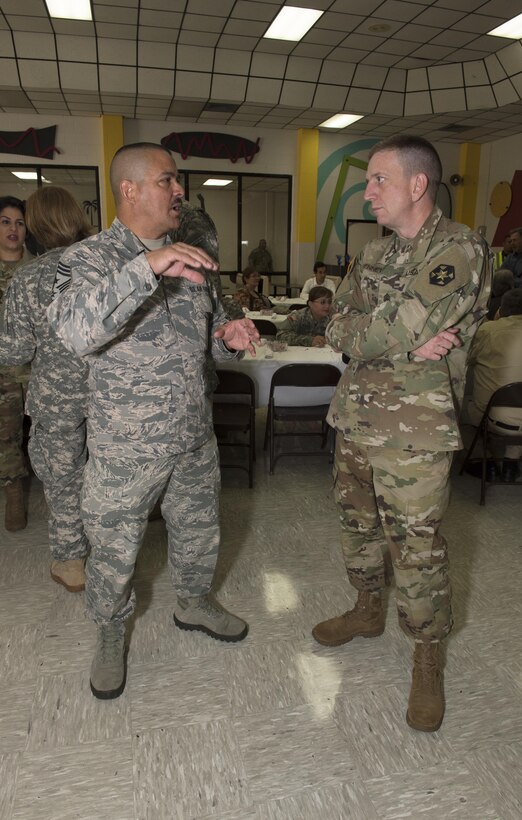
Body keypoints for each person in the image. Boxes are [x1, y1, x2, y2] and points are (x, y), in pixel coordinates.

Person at [47, 142, 260, 700]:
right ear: (130, 189)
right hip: (126, 447)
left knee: (198, 532)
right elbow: (74, 332)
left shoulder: (189, 254)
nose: (179, 191)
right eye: (168, 180)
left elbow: (197, 342)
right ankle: (111, 631)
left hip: (191, 435)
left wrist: (226, 340)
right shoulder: (89, 259)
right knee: (115, 549)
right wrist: (145, 266)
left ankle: (193, 602)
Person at [312, 135, 491, 733]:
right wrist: (403, 336)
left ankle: (426, 656)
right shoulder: (373, 254)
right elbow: (333, 325)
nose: (368, 193)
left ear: (418, 185)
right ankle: (366, 610)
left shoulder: (458, 248)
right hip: (356, 418)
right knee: (356, 527)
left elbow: (398, 323)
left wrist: (397, 330)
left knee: (416, 549)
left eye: (378, 180)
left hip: (416, 430)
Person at [0, 187, 93, 590]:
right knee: (107, 476)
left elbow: (13, 349)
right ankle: (112, 554)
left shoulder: (28, 277)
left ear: (35, 225)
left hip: (57, 400)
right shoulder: (107, 268)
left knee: (62, 479)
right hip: (111, 396)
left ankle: (71, 563)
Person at [463, 288, 522, 482]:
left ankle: (486, 462)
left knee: (456, 408)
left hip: (493, 418)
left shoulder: (487, 331)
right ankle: (510, 463)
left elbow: (469, 359)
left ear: (500, 309)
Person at [0, 195, 34, 531]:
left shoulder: (37, 269)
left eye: (19, 222)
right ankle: (14, 495)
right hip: (3, 374)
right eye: (5, 222)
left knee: (47, 434)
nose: (13, 228)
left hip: (38, 370)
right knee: (5, 435)